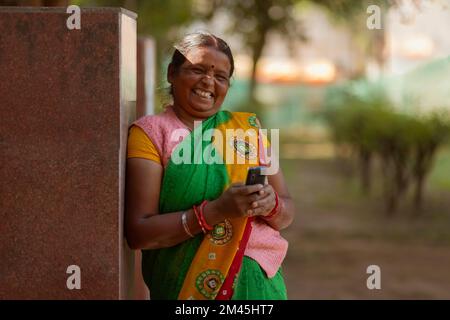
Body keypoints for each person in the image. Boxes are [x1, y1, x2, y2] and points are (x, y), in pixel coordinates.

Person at [125, 31, 295, 300]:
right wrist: (214, 212)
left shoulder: (247, 130)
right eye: (197, 70)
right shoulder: (150, 134)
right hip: (184, 287)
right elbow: (139, 233)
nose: (208, 81)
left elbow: (286, 213)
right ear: (172, 73)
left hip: (258, 287)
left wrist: (270, 204)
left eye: (220, 77)